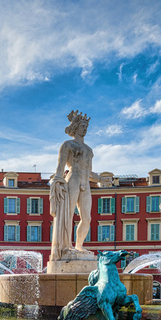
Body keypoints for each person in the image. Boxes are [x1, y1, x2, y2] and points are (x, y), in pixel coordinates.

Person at [50, 110, 112, 261]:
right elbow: (60, 167)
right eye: (83, 125)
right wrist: (57, 182)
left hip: (86, 183)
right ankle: (66, 247)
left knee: (87, 218)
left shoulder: (89, 150)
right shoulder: (67, 145)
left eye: (86, 126)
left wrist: (101, 179)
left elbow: (89, 172)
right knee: (68, 213)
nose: (85, 129)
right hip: (73, 180)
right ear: (76, 127)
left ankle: (79, 246)